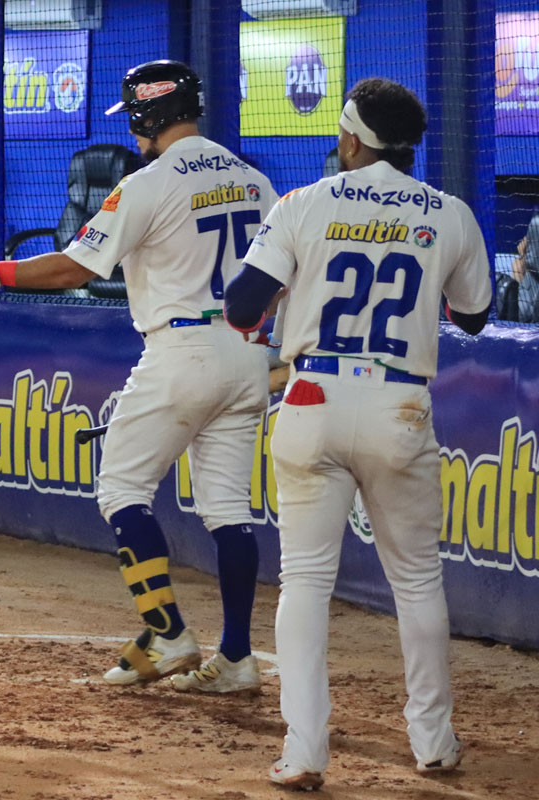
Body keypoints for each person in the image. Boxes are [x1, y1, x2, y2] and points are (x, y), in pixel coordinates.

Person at [0, 60, 278, 693]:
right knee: (228, 512)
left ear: (146, 113)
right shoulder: (254, 180)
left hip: (180, 350)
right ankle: (239, 658)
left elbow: (73, 269)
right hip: (247, 355)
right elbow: (277, 278)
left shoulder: (149, 181)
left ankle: (167, 634)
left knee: (121, 490)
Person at [223, 77, 492, 790]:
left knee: (306, 583)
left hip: (312, 395)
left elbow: (241, 307)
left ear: (350, 137)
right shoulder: (450, 212)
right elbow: (474, 316)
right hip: (399, 405)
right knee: (416, 580)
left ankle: (304, 750)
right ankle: (432, 740)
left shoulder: (304, 203)